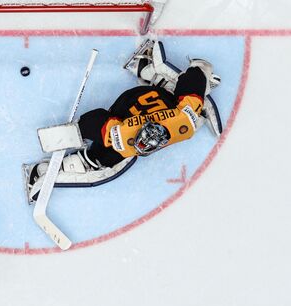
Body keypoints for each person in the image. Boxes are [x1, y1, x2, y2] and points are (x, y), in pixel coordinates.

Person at [25, 40, 221, 202]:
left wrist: (200, 72)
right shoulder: (180, 126)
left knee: (102, 154)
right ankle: (149, 71)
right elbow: (95, 121)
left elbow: (192, 99)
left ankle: (148, 71)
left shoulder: (183, 125)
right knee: (103, 150)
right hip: (149, 98)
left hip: (147, 98)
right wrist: (201, 73)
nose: (141, 146)